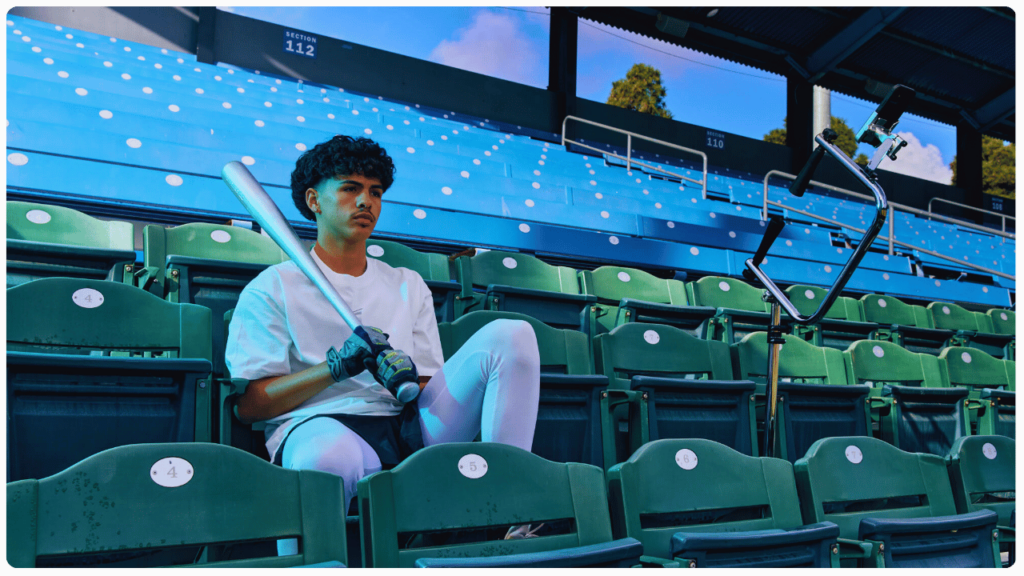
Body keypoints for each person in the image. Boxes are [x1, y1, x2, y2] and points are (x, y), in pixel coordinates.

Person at [224, 135, 541, 556]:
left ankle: (511, 514)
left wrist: (407, 372)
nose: (366, 202)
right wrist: (335, 368)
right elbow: (249, 406)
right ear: (314, 200)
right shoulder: (272, 287)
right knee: (327, 458)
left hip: (407, 423)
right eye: (351, 188)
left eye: (375, 192)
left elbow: (429, 381)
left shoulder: (407, 283)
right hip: (318, 424)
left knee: (512, 334)